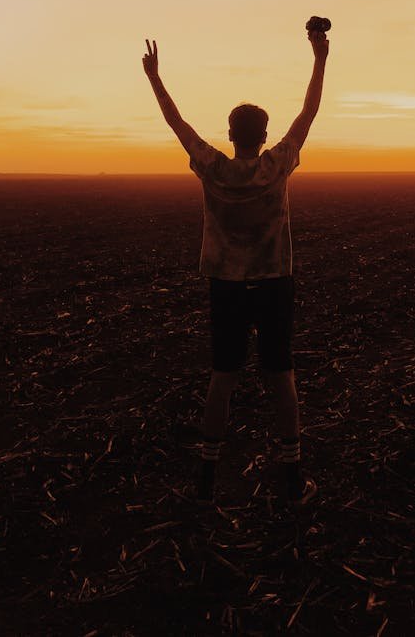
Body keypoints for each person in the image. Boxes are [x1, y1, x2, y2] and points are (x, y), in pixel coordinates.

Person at [142, 27, 329, 505]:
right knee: (280, 376)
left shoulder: (213, 168)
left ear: (229, 136)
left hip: (226, 285)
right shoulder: (278, 164)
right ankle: (291, 478)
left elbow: (177, 125)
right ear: (264, 136)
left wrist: (156, 80)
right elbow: (308, 114)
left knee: (222, 378)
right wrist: (320, 58)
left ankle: (205, 477)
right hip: (273, 284)